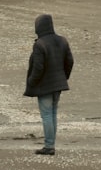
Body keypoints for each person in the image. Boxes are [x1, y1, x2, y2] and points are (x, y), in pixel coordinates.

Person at [24, 14, 74, 155]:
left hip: (44, 86)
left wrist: (31, 82)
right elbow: (70, 61)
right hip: (58, 84)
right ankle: (50, 144)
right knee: (52, 114)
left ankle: (49, 146)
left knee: (47, 115)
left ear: (39, 27)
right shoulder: (62, 40)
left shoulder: (40, 44)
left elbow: (38, 68)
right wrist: (64, 77)